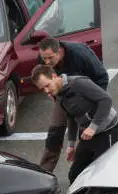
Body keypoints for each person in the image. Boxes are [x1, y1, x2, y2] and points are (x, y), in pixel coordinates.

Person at [31, 64, 118, 183]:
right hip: (87, 134)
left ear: (54, 76)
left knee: (102, 174)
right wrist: (71, 145)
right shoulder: (58, 94)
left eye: (47, 85)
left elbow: (106, 100)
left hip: (108, 130)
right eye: (42, 89)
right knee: (75, 174)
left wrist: (93, 127)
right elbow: (71, 116)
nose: (46, 91)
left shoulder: (78, 83)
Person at [36, 37, 110, 172]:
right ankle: (45, 173)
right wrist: (53, 94)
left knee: (87, 134)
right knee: (54, 132)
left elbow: (102, 77)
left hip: (86, 94)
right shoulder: (43, 57)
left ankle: (90, 171)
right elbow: (44, 77)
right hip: (61, 94)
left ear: (59, 52)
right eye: (44, 58)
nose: (46, 62)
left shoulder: (81, 54)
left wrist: (94, 104)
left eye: (50, 58)